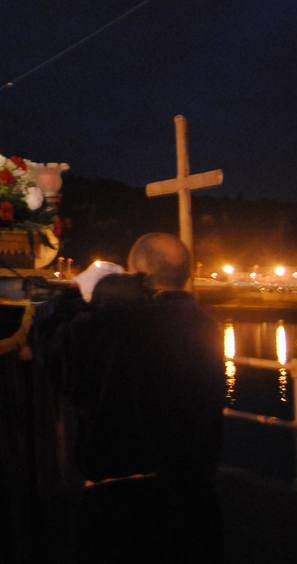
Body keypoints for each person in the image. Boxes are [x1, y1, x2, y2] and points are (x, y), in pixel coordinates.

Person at [60, 233, 224, 563]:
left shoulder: (122, 327)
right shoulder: (207, 326)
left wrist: (75, 297)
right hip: (194, 492)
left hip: (124, 500)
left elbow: (72, 377)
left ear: (139, 275)